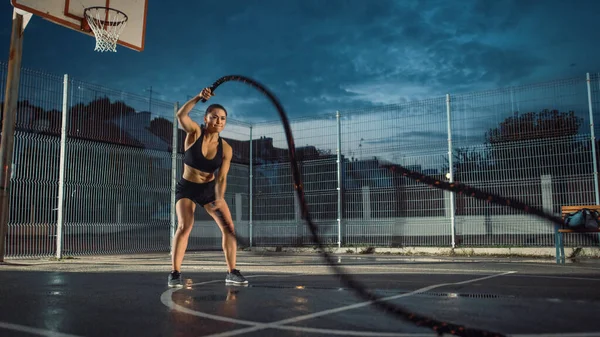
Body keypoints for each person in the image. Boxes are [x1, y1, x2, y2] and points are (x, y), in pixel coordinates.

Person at [168, 87, 248, 287]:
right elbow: (181, 114)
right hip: (187, 188)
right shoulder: (194, 133)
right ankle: (175, 273)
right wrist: (198, 97)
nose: (218, 121)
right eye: (214, 117)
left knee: (229, 228)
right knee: (185, 225)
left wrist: (219, 197)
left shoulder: (226, 148)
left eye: (222, 118)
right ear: (206, 119)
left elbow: (221, 178)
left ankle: (232, 272)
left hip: (209, 190)